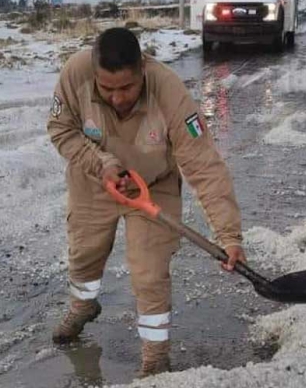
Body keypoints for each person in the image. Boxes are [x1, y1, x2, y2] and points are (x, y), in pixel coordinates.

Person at [47, 27, 246, 377]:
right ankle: (82, 304)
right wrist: (102, 165)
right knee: (84, 253)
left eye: (127, 87)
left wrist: (229, 235)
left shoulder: (169, 91)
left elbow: (204, 164)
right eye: (107, 89)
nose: (118, 98)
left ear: (142, 69)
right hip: (95, 182)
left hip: (153, 185)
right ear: (94, 73)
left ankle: (155, 358)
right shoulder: (75, 74)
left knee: (150, 273)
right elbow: (61, 129)